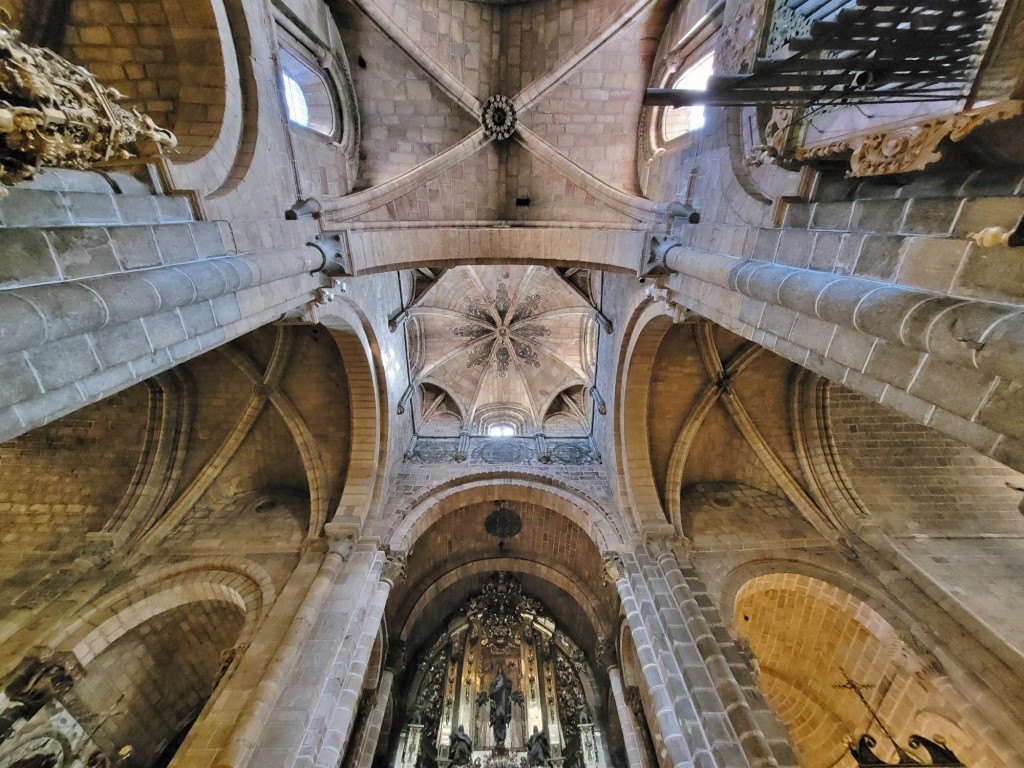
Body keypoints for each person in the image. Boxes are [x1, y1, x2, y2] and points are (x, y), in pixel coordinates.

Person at [488, 669, 513, 749]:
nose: (499, 673)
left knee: (502, 705)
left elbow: (508, 684)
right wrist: (495, 682)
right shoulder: (496, 679)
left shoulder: (504, 680)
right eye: (498, 672)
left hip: (502, 695)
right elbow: (492, 687)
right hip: (497, 695)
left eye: (500, 672)